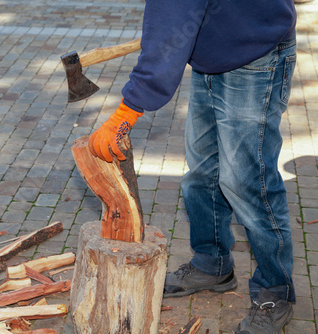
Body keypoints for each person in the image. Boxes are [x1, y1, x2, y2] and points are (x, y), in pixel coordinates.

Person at [88, 1, 297, 333]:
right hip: (213, 56)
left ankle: (275, 291)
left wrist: (130, 107)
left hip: (257, 54)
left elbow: (172, 17)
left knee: (247, 182)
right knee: (202, 175)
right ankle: (212, 264)